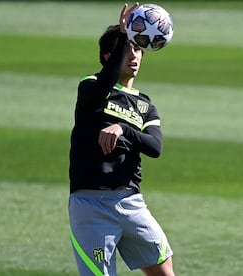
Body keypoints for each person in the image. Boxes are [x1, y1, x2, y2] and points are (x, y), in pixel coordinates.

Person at [68, 3, 175, 276]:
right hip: (91, 207)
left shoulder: (144, 105)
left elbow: (155, 147)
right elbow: (105, 84)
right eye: (127, 47)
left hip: (131, 203)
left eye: (138, 48)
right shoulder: (91, 86)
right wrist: (126, 34)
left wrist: (123, 129)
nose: (134, 54)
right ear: (108, 56)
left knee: (165, 272)